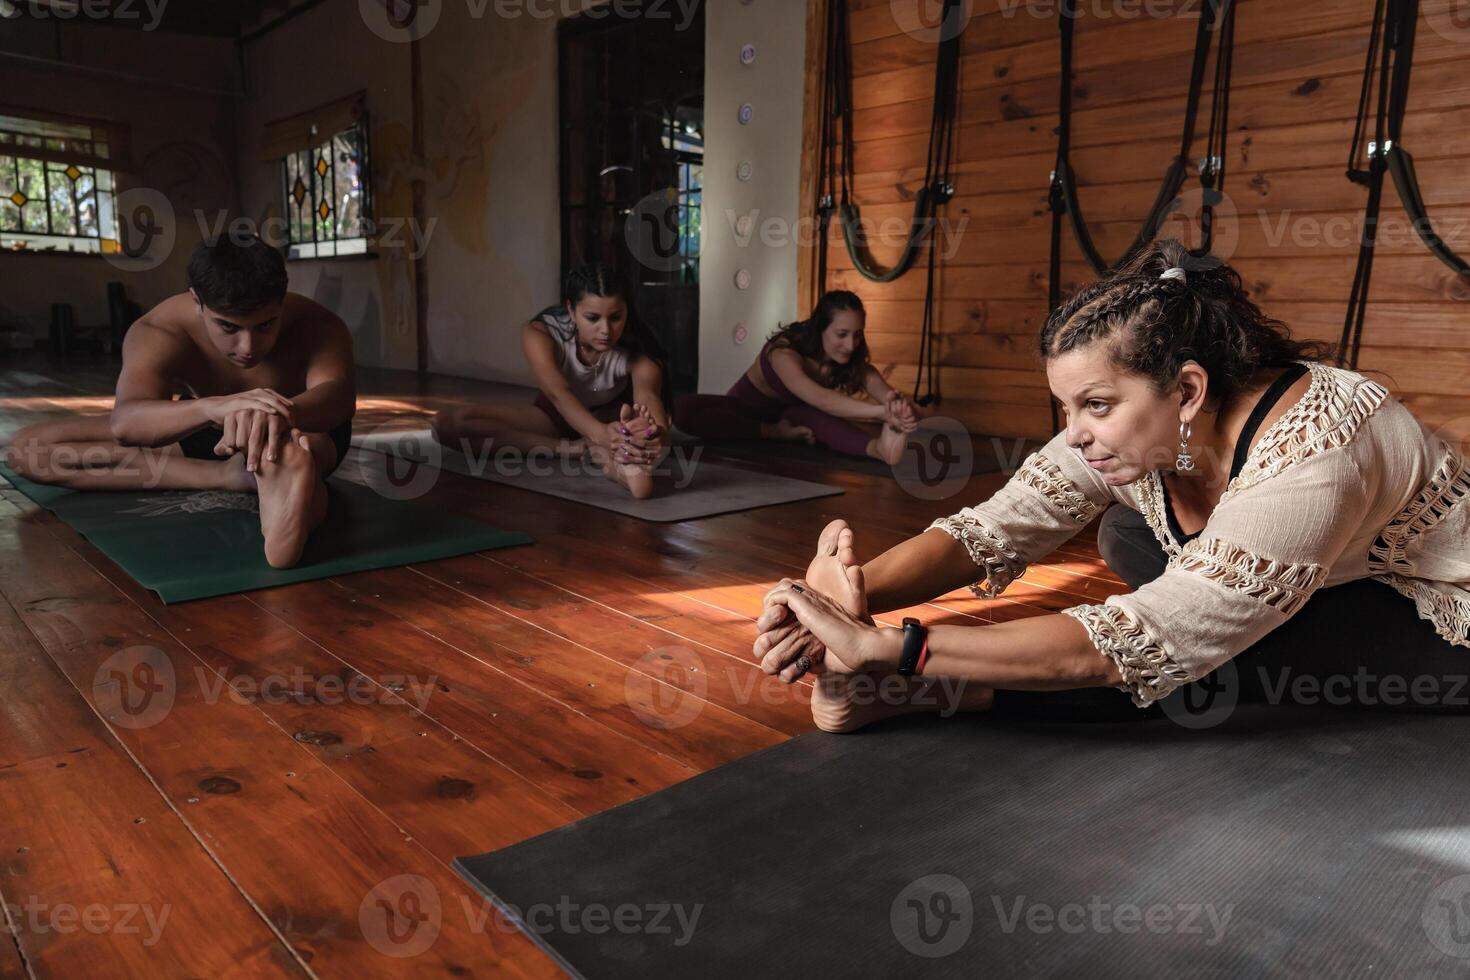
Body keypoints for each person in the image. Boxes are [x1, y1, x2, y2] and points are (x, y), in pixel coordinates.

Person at [752, 240, 1470, 732]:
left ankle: (924, 694)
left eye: (1096, 405)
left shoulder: (1320, 452)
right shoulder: (1132, 424)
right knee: (1123, 531)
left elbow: (1144, 636)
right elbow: (995, 527)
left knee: (1206, 651)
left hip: (1435, 611)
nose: (1076, 431)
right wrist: (841, 601)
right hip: (1327, 564)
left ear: (1187, 389)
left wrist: (896, 649)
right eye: (1068, 407)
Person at [5, 234, 355, 570]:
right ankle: (231, 477)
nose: (249, 346)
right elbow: (126, 424)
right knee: (28, 452)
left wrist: (284, 414)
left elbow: (338, 398)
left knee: (307, 450)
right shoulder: (160, 331)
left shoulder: (317, 323)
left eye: (265, 325)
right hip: (209, 428)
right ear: (197, 300)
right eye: (229, 328)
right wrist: (212, 407)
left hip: (299, 429)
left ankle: (293, 483)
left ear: (282, 299)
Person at [430, 263, 671, 499]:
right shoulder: (540, 332)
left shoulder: (641, 352)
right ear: (571, 310)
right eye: (592, 318)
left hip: (612, 419)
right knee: (447, 423)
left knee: (632, 436)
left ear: (627, 311)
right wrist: (596, 434)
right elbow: (558, 393)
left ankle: (619, 466)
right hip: (559, 415)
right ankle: (573, 449)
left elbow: (648, 398)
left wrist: (655, 436)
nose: (605, 330)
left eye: (615, 317)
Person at [673, 291, 921, 464]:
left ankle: (880, 450)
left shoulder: (846, 358)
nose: (850, 344)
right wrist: (880, 413)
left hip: (794, 416)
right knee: (683, 410)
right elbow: (821, 398)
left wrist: (893, 401)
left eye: (857, 335)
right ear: (820, 328)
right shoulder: (783, 352)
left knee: (815, 418)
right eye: (842, 334)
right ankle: (773, 432)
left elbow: (872, 380)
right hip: (747, 412)